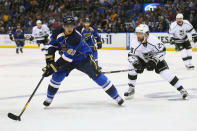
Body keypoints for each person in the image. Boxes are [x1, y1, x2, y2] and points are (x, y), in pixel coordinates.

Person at [42, 16, 124, 106]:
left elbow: (67, 58)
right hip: (68, 60)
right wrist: (49, 62)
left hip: (83, 58)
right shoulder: (56, 32)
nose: (69, 28)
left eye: (71, 26)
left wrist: (52, 68)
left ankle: (116, 96)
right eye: (67, 26)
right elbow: (51, 46)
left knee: (97, 75)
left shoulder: (76, 37)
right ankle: (49, 98)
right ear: (63, 26)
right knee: (56, 76)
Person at [124, 24, 189, 100]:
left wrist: (154, 61)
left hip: (155, 58)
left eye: (140, 34)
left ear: (146, 34)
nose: (138, 36)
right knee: (131, 67)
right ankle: (131, 88)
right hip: (142, 59)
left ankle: (182, 89)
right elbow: (131, 55)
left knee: (166, 73)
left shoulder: (154, 40)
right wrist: (136, 63)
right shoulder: (134, 42)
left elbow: (162, 51)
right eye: (137, 33)